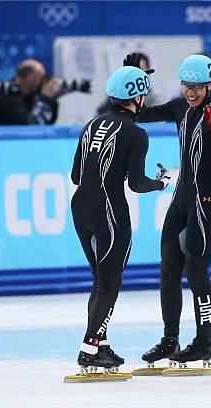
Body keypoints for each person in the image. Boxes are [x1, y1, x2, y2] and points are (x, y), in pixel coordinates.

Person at [70, 66, 176, 371]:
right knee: (110, 282)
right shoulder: (135, 133)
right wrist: (163, 182)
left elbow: (76, 175)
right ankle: (89, 347)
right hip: (109, 210)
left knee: (99, 281)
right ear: (137, 96)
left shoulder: (91, 125)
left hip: (81, 207)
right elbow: (136, 183)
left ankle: (100, 345)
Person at [133, 54, 211, 367]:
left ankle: (204, 342)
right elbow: (139, 114)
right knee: (168, 268)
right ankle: (170, 339)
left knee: (196, 270)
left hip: (207, 199)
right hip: (182, 197)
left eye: (197, 88)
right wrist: (135, 81)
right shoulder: (179, 107)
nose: (191, 93)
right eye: (186, 86)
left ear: (210, 85)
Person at [0, 59, 62, 125]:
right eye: (41, 78)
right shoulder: (6, 94)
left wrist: (52, 99)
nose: (43, 82)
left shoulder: (31, 94)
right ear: (30, 78)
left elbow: (48, 121)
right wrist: (45, 99)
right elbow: (28, 125)